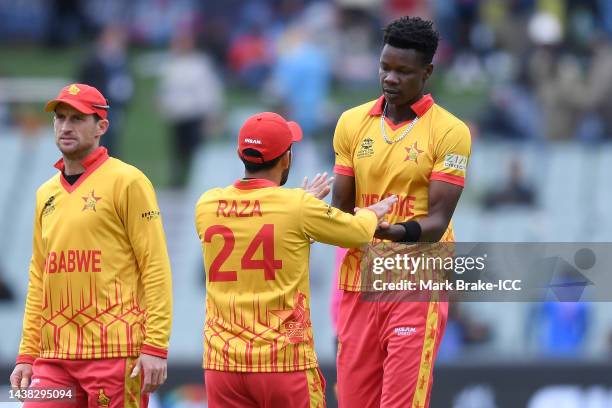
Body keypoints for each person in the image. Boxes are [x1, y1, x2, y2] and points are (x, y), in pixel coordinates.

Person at [195, 112, 397, 408]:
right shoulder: (296, 206)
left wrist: (296, 209)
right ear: (287, 158)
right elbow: (357, 233)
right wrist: (372, 212)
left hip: (222, 364)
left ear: (241, 155)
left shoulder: (207, 204)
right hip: (284, 360)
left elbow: (257, 227)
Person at [331, 17, 471, 408]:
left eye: (403, 71)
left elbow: (438, 221)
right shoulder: (351, 122)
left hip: (416, 282)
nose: (390, 78)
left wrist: (388, 230)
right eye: (385, 67)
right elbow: (340, 207)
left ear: (426, 72)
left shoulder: (450, 131)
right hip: (358, 282)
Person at [9, 83, 173, 407]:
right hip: (53, 357)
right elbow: (40, 277)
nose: (66, 127)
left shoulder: (129, 181)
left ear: (102, 127)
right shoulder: (45, 193)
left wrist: (155, 345)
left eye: (77, 119)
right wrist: (28, 352)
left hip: (115, 353)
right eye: (60, 118)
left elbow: (155, 266)